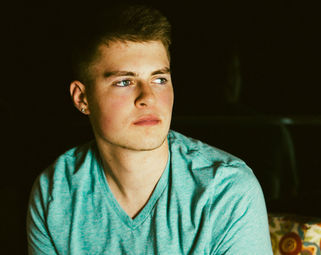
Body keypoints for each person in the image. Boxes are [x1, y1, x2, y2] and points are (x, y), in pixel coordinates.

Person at [26, 4, 273, 254]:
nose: (148, 97)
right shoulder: (55, 193)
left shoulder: (226, 190)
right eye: (124, 81)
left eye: (159, 79)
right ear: (82, 98)